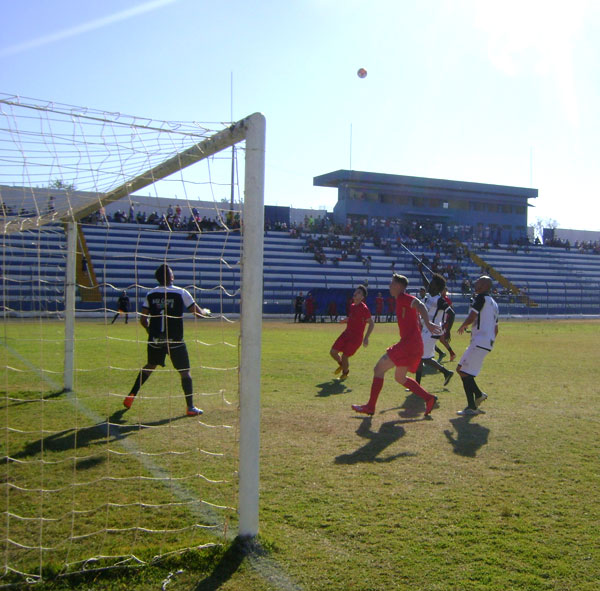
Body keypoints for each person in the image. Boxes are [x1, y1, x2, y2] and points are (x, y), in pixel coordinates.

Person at [122, 264, 210, 416]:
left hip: (156, 339)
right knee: (185, 372)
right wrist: (206, 312)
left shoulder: (150, 294)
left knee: (149, 366)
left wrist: (151, 332)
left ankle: (131, 395)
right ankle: (190, 407)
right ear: (171, 277)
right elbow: (198, 314)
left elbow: (143, 320)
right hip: (175, 340)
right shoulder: (181, 292)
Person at [352, 274, 441, 417]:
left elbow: (420, 305)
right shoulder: (402, 300)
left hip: (409, 345)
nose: (389, 286)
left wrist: (428, 323)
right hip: (413, 344)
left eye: (392, 283)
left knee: (378, 368)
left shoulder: (403, 298)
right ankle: (429, 398)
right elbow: (416, 313)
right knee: (400, 378)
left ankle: (370, 407)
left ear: (399, 286)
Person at [455, 276, 499, 416]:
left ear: (485, 285)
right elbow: (496, 329)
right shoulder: (494, 304)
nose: (476, 283)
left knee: (463, 371)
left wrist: (463, 325)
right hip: (485, 342)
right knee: (461, 369)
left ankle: (475, 402)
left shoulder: (481, 298)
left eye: (479, 282)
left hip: (480, 342)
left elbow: (473, 315)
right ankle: (475, 401)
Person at [416, 267, 454, 387]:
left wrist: (447, 331)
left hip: (433, 331)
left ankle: (417, 386)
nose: (429, 284)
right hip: (428, 330)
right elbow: (426, 282)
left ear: (436, 287)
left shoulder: (440, 301)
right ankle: (446, 372)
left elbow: (452, 314)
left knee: (420, 357)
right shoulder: (431, 295)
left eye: (432, 283)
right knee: (425, 358)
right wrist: (421, 271)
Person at [330, 285, 375, 381]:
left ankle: (345, 373)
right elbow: (352, 317)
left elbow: (371, 323)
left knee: (345, 356)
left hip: (356, 338)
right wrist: (345, 320)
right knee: (333, 352)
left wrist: (366, 337)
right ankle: (342, 365)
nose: (356, 293)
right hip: (346, 334)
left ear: (362, 297)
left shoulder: (364, 309)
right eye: (356, 291)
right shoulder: (352, 306)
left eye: (359, 292)